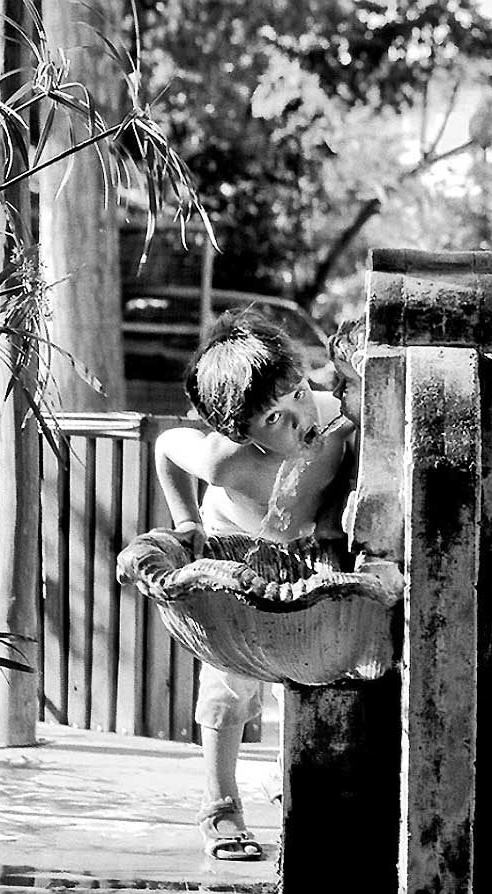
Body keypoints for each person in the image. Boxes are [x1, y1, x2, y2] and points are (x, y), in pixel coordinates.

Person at [155, 308, 353, 861]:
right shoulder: (223, 461)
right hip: (235, 549)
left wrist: (331, 520)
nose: (298, 415)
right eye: (273, 417)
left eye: (298, 393)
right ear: (240, 430)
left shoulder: (340, 421)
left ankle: (285, 772)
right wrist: (186, 521)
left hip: (300, 551)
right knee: (231, 680)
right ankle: (219, 802)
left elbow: (345, 476)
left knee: (314, 663)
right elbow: (166, 448)